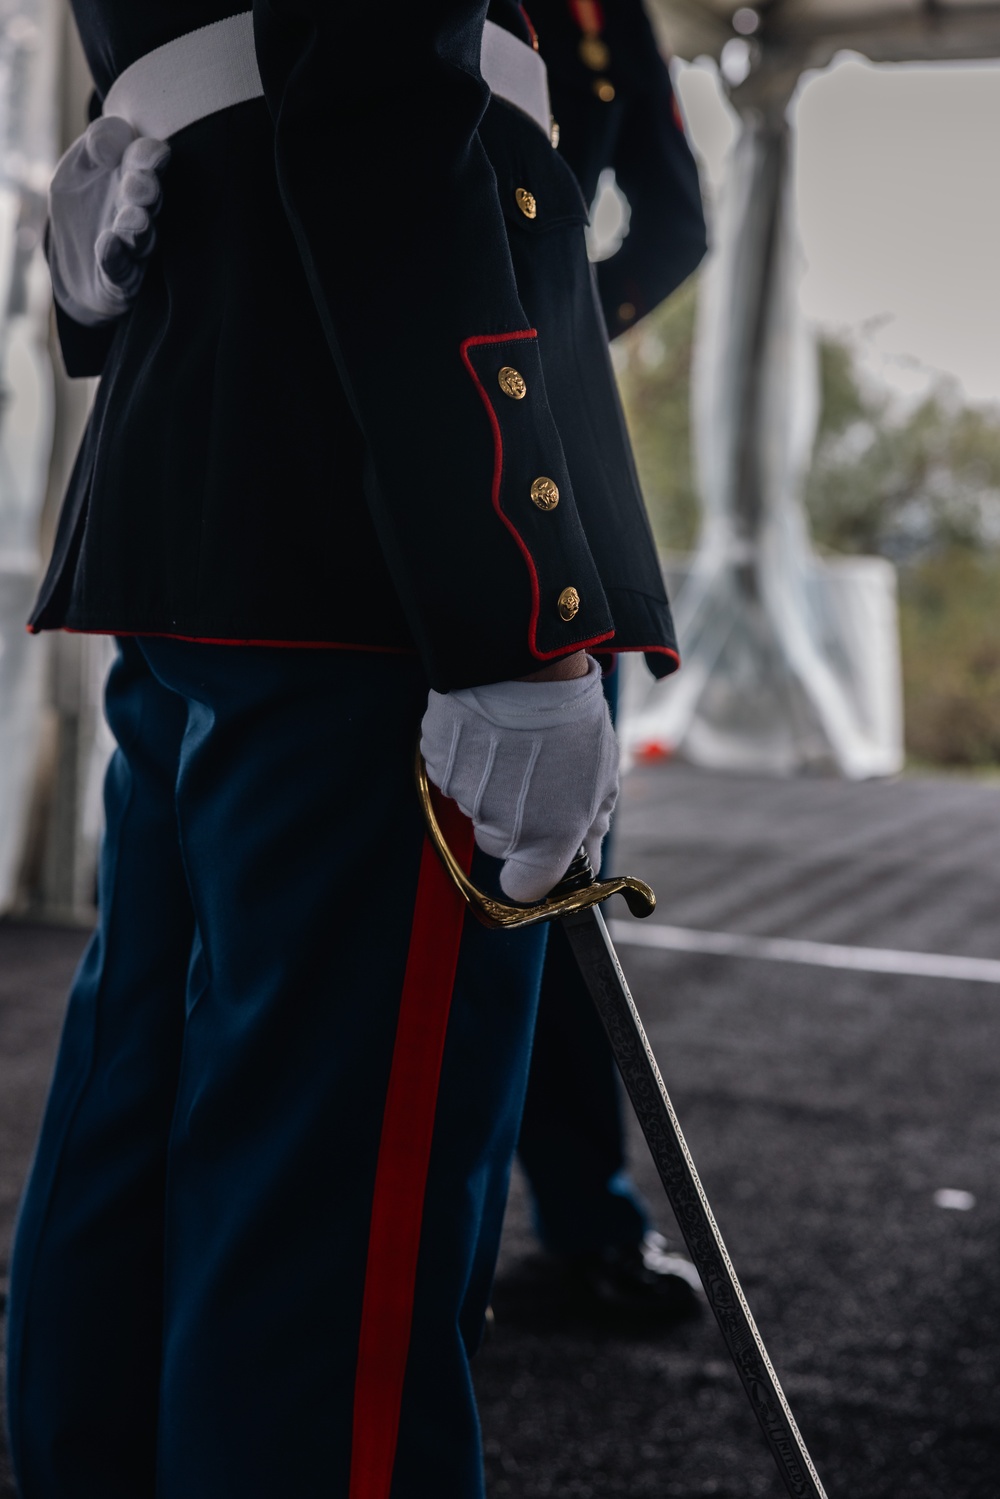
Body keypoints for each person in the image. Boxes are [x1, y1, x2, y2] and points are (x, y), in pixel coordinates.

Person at [7, 5, 681, 1497]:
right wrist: (510, 593)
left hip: (220, 461)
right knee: (341, 1211)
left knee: (146, 1105)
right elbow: (384, 91)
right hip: (370, 516)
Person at [515, 0, 708, 1318]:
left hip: (523, 464)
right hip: (517, 463)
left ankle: (570, 1226)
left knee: (551, 885)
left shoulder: (604, 16)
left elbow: (677, 219)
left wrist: (546, 321)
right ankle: (574, 1235)